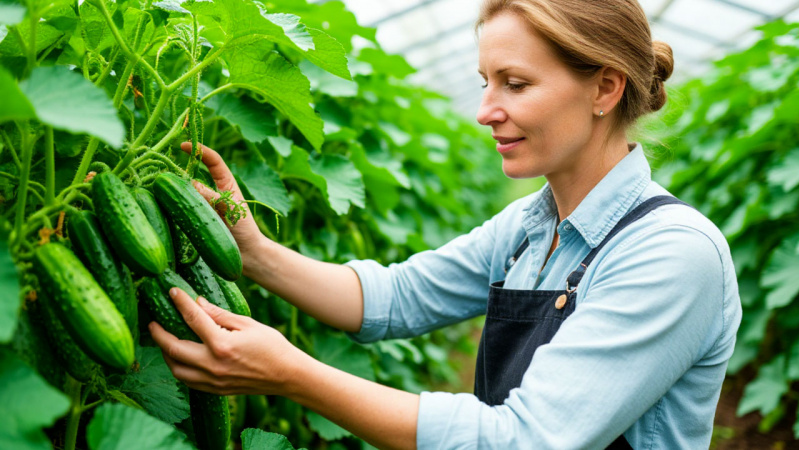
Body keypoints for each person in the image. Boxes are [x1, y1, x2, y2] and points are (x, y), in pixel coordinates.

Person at [149, 0, 742, 448]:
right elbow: (396, 297)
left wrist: (292, 374)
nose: (486, 111)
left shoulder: (671, 253)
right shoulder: (527, 228)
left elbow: (524, 440)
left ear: (605, 88)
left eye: (516, 83)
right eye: (485, 83)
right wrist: (252, 252)